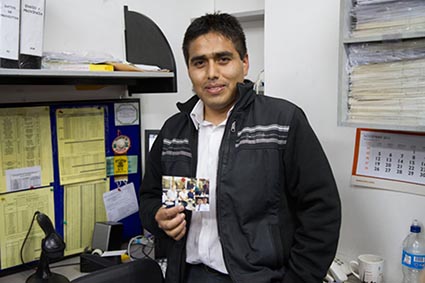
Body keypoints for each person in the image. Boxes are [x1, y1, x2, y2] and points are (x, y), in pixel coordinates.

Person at [140, 12, 341, 283]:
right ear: (189, 69)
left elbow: (321, 212)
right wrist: (157, 216)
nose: (212, 73)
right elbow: (150, 196)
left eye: (223, 59)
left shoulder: (282, 123)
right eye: (200, 62)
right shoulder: (174, 132)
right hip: (187, 275)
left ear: (244, 63)